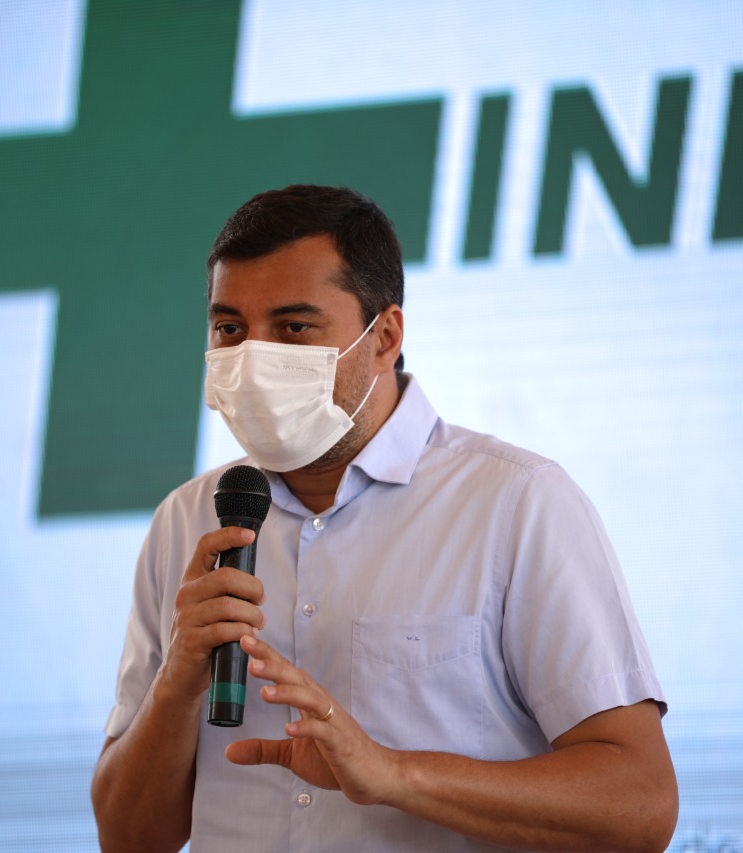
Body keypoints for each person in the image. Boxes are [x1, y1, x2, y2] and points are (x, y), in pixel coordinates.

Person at [91, 185, 678, 852]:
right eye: (230, 329)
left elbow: (640, 804)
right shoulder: (187, 519)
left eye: (294, 328)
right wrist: (175, 686)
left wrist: (395, 774)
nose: (253, 360)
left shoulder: (517, 503)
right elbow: (127, 838)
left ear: (385, 337)